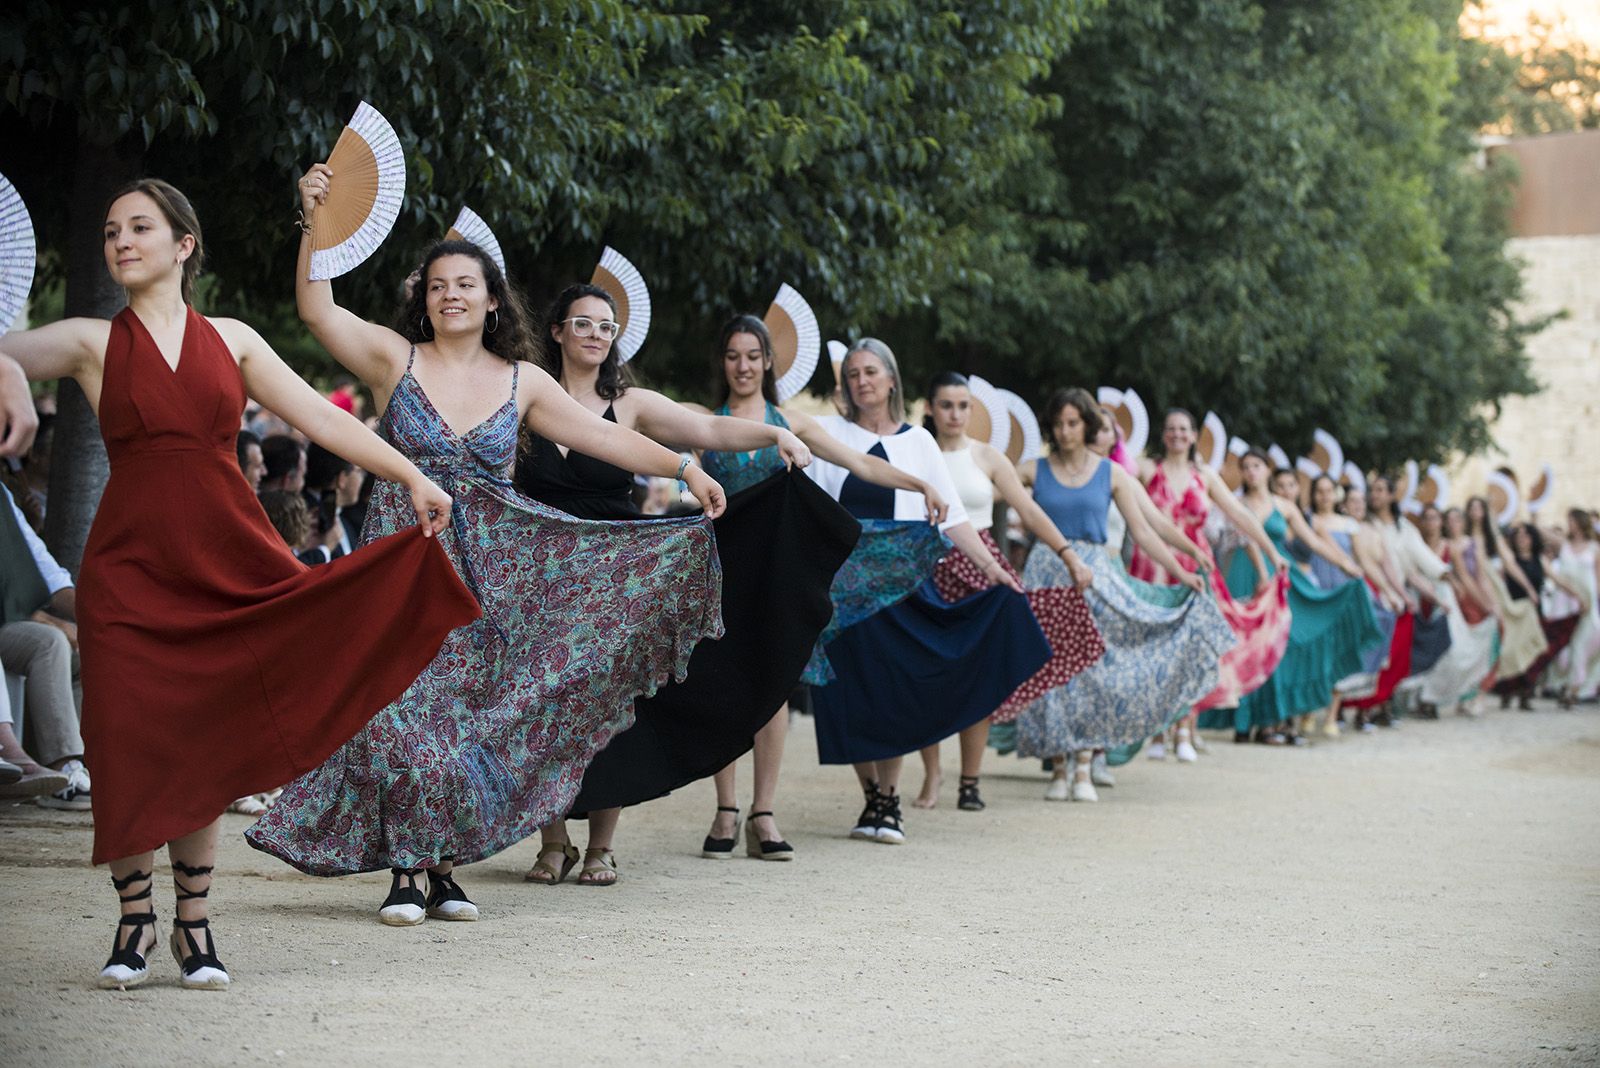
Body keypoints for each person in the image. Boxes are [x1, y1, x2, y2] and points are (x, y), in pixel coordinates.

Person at [0, 176, 479, 989]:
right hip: (129, 572)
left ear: (183, 245)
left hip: (226, 564)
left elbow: (325, 419)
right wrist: (9, 370)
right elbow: (4, 352)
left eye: (139, 227)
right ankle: (133, 923)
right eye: (111, 229)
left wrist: (412, 474)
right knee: (127, 739)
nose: (120, 240)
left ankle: (192, 926)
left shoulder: (233, 340)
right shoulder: (90, 340)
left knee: (205, 742)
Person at [251, 164, 726, 917]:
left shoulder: (523, 379)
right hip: (401, 559)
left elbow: (599, 437)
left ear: (493, 298)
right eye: (437, 285)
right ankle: (409, 871)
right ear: (423, 298)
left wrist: (683, 468)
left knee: (461, 720)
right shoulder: (391, 359)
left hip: (489, 572)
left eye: (465, 284)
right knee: (398, 708)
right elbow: (318, 311)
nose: (450, 295)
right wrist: (313, 223)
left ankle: (438, 867)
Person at [696, 315, 947, 857]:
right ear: (724, 362)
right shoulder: (700, 420)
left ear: (768, 363)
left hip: (774, 565)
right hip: (716, 565)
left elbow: (860, 464)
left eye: (753, 356)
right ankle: (725, 809)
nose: (743, 366)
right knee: (721, 683)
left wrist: (920, 481)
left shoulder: (792, 420)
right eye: (733, 355)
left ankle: (764, 814)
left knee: (773, 687)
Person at [805, 339, 1044, 841]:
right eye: (853, 373)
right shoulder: (828, 434)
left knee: (891, 693)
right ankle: (871, 795)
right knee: (849, 693)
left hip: (901, 587)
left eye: (871, 371)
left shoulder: (919, 443)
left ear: (892, 379)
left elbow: (954, 519)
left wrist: (993, 569)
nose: (862, 380)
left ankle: (888, 800)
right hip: (843, 588)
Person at [1012, 389, 1232, 799]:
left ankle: (1083, 768)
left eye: (1073, 423)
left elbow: (1146, 530)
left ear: (1088, 426)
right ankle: (1058, 767)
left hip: (1094, 574)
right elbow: (982, 487)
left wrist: (1182, 568)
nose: (1065, 431)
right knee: (1049, 669)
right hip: (1045, 572)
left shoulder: (1111, 474)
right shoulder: (1031, 469)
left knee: (1092, 669)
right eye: (1058, 423)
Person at [913, 372, 1103, 811]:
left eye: (963, 406)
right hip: (926, 567)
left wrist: (1068, 554)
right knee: (929, 673)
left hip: (982, 568)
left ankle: (970, 781)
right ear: (929, 408)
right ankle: (932, 775)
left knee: (980, 673)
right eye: (946, 405)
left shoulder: (988, 457)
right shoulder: (915, 451)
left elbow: (1028, 509)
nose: (955, 414)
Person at [1127, 409, 1291, 760]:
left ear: (1193, 435)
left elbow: (1240, 514)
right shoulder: (1145, 469)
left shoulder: (1206, 476)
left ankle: (1185, 728)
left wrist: (1270, 552)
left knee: (1194, 647)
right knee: (1156, 647)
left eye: (1183, 429)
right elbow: (1113, 464)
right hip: (1153, 563)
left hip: (1197, 566)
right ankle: (1158, 731)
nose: (1176, 434)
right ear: (1163, 434)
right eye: (1170, 428)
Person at [1197, 454, 1378, 744]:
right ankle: (1244, 723)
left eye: (1256, 466)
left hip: (1278, 573)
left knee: (1278, 645)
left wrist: (1346, 565)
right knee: (1244, 646)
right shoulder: (1235, 503)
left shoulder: (1284, 506)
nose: (1251, 472)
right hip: (1244, 574)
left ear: (1266, 470)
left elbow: (1314, 541)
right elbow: (1240, 537)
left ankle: (1269, 723)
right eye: (1245, 467)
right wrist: (1259, 573)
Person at [0, 481, 90, 808]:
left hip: (12, 620)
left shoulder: (2, 495)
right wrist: (46, 619)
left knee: (92, 651)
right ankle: (61, 767)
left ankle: (88, 769)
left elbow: (50, 575)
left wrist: (106, 623)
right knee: (49, 642)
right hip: (7, 623)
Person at [1493, 522, 1582, 708]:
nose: (1522, 539)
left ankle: (1525, 692)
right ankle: (1507, 690)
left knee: (1532, 652)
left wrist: (1577, 595)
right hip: (1514, 611)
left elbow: (1557, 580)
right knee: (1511, 651)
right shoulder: (1510, 559)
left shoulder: (1540, 560)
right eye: (1519, 536)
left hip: (1534, 612)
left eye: (1526, 536)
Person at [1464, 496, 1546, 686]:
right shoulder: (1463, 536)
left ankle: (1486, 682)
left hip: (1492, 588)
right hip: (1470, 586)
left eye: (1479, 508)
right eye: (1472, 508)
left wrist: (1529, 589)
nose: (1475, 512)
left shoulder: (1494, 538)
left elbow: (1510, 565)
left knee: (1495, 631)